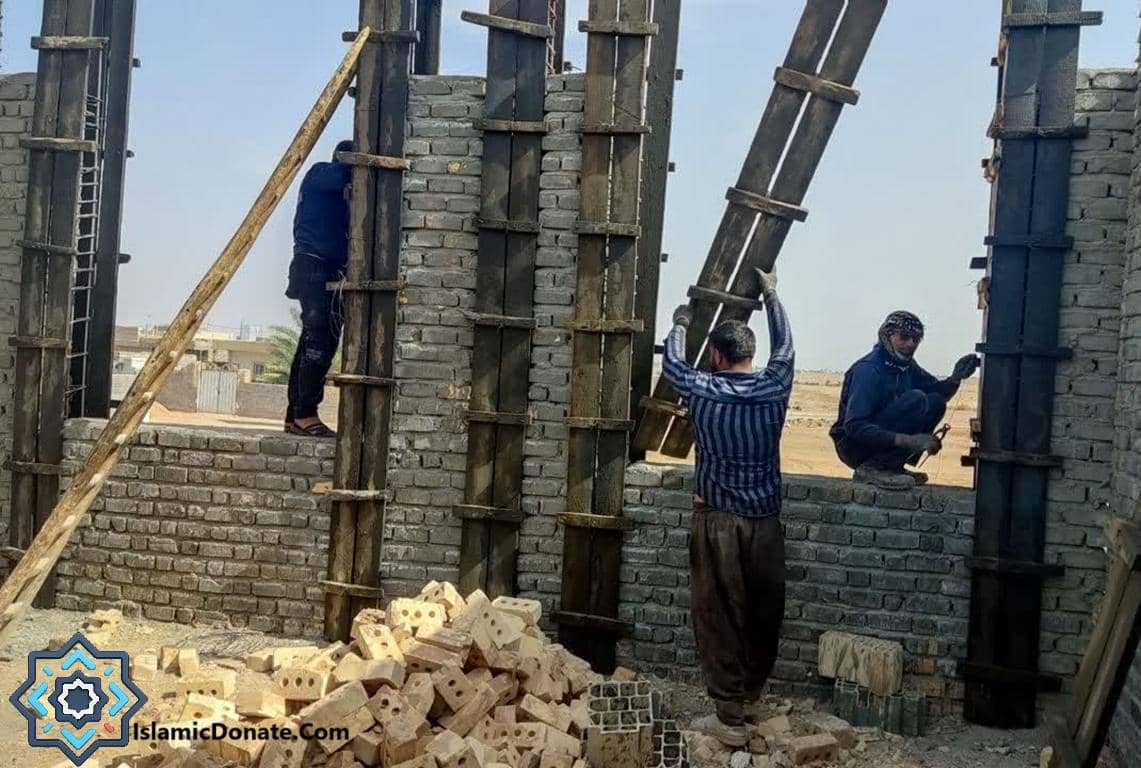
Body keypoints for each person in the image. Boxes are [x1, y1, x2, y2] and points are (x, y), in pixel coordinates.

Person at [662, 268, 793, 748]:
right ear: (749, 354)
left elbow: (673, 365)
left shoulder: (702, 388)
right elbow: (786, 346)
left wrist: (679, 322)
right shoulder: (775, 386)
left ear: (717, 355)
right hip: (765, 522)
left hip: (716, 519)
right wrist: (772, 293)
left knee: (718, 614)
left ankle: (729, 715)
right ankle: (751, 698)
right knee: (763, 610)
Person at [830, 311, 980, 489]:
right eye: (904, 337)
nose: (911, 344)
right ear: (887, 335)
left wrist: (955, 378)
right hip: (853, 446)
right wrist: (907, 440)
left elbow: (936, 393)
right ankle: (872, 468)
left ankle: (892, 466)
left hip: (878, 439)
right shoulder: (869, 370)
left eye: (916, 339)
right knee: (915, 399)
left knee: (935, 402)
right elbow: (855, 426)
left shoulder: (907, 366)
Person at [284, 140, 354, 438]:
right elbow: (345, 175)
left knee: (311, 341)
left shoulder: (335, 190)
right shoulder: (322, 173)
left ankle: (295, 415)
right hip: (314, 267)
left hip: (318, 267)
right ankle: (305, 415)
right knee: (319, 343)